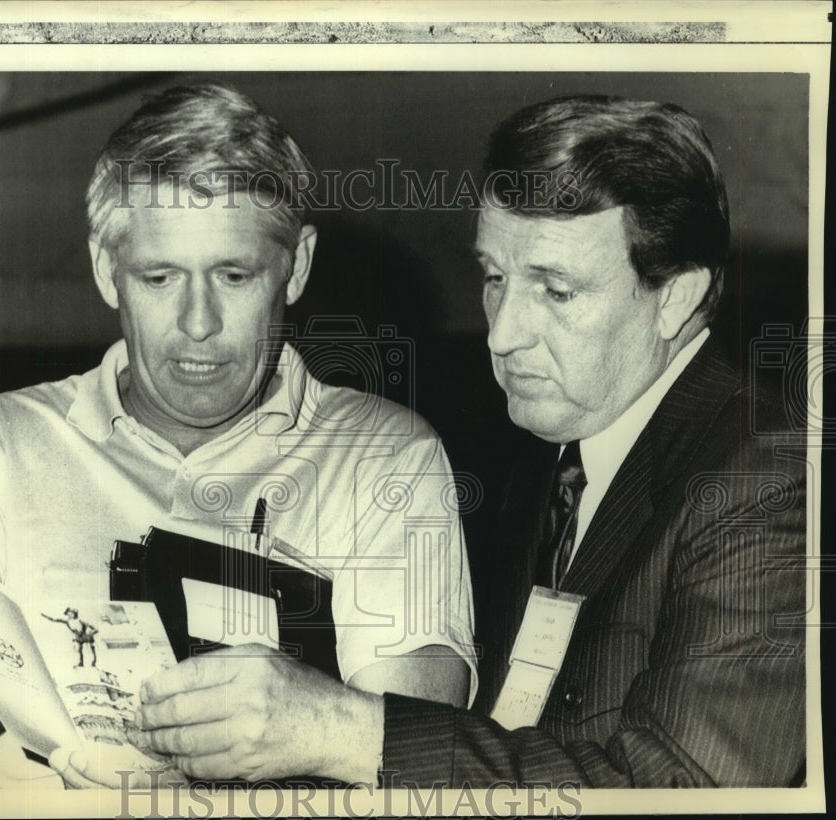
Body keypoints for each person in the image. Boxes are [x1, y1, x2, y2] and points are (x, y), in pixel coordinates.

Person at [102, 95, 806, 789]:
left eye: (556, 291)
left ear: (675, 297)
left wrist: (338, 731)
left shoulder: (768, 479)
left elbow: (682, 791)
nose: (501, 335)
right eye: (495, 278)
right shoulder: (548, 458)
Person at [0, 83, 476, 788]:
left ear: (296, 267)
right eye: (159, 277)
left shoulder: (386, 459)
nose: (197, 324)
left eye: (233, 274)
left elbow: (414, 754)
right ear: (107, 271)